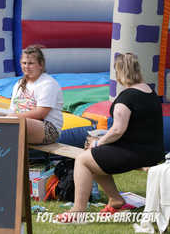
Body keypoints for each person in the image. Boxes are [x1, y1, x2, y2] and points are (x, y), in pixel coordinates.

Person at [55, 53, 165, 224]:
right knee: (94, 156)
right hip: (153, 152)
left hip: (136, 154)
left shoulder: (126, 98)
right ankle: (115, 200)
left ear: (120, 72)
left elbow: (117, 130)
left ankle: (77, 211)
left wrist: (98, 141)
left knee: (83, 160)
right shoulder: (150, 92)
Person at [8, 45, 63, 145]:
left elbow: (40, 113)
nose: (26, 66)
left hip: (48, 128)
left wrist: (13, 117)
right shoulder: (19, 84)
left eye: (31, 63)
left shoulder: (48, 83)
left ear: (41, 64)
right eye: (24, 63)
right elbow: (12, 109)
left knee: (14, 124)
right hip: (23, 122)